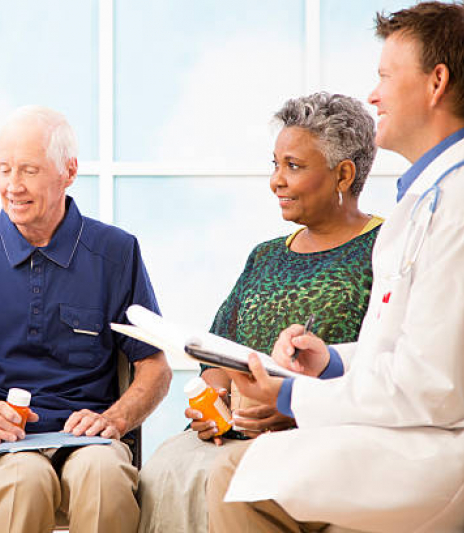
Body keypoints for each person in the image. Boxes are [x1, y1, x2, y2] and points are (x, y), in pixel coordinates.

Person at [207, 3, 464, 532]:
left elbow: (433, 386)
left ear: (437, 82)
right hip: (415, 429)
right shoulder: (433, 197)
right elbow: (410, 351)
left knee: (239, 475)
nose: (374, 94)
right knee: (240, 471)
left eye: (385, 76)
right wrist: (332, 362)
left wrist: (291, 393)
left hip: (441, 448)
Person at [0, 105, 172, 533]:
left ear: (68, 172)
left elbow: (154, 366)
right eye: (4, 170)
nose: (13, 186)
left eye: (29, 171)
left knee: (103, 475)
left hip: (87, 441)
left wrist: (115, 419)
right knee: (24, 479)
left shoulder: (116, 253)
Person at [138, 92, 381, 533]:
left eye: (293, 166)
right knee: (163, 470)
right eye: (275, 164)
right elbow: (216, 352)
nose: (276, 181)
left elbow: (386, 366)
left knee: (230, 477)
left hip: (324, 438)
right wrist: (212, 405)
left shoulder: (385, 249)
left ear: (343, 174)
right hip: (231, 435)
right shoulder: (265, 256)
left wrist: (294, 406)